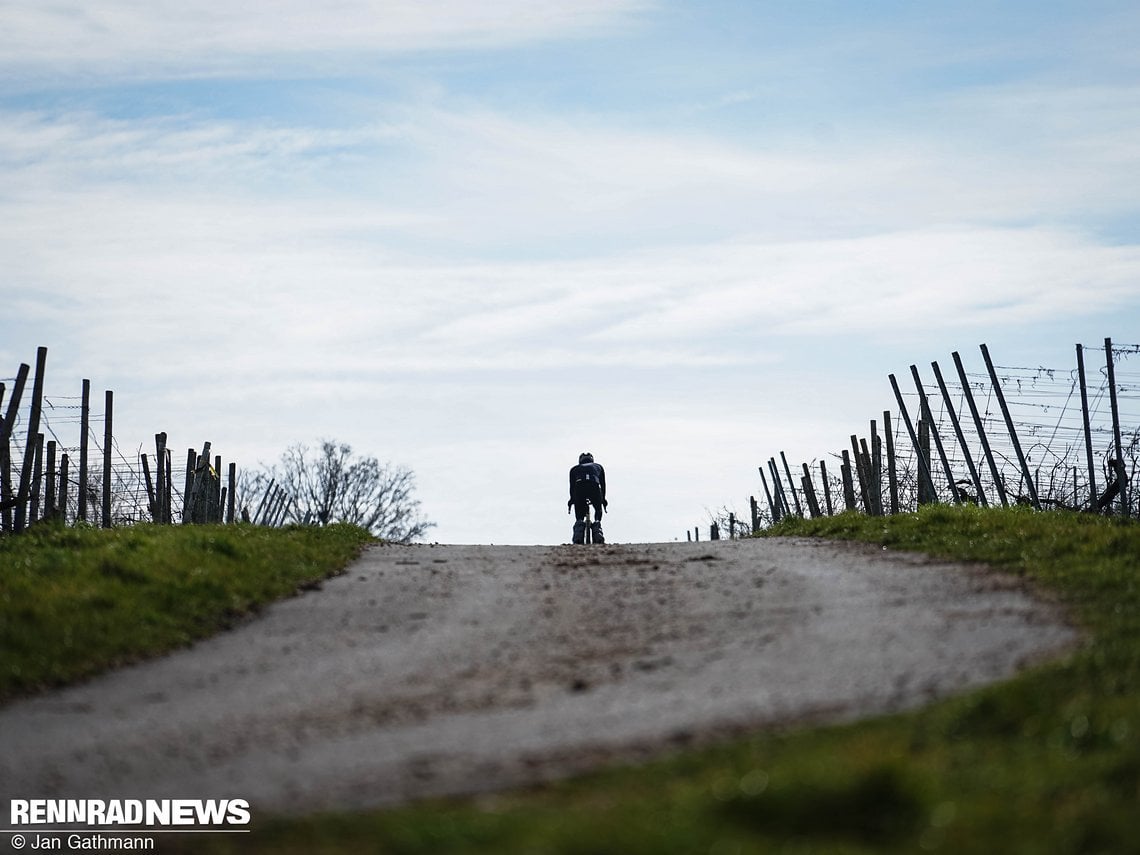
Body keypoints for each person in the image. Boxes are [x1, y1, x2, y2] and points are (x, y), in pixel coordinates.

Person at [568, 452, 607, 544]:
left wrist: (571, 500)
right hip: (594, 486)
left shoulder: (574, 469)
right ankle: (597, 530)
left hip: (579, 487)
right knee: (598, 510)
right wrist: (603, 499)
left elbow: (572, 488)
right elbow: (603, 485)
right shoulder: (598, 466)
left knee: (579, 513)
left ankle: (578, 533)